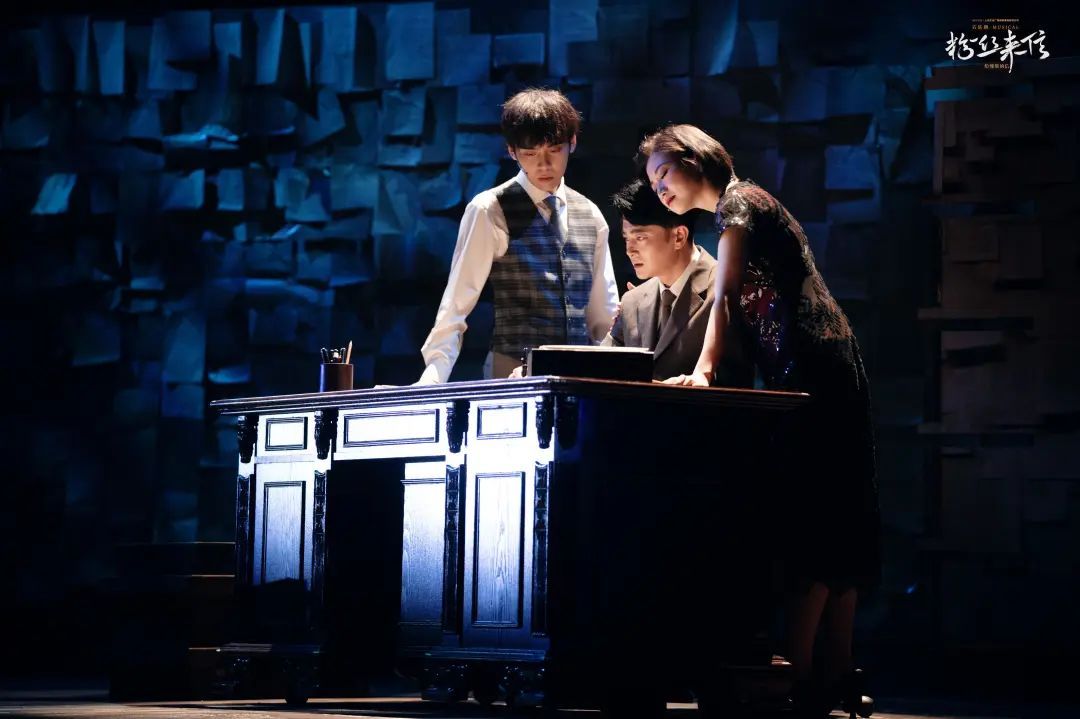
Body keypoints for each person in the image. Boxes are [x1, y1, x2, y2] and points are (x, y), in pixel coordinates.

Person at [639, 123, 881, 716]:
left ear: (696, 159)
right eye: (653, 179)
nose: (659, 187)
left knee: (821, 514)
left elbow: (723, 297)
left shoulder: (740, 203)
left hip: (817, 367)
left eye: (664, 172)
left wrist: (703, 371)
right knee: (834, 511)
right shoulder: (735, 210)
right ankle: (829, 672)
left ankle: (801, 674)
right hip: (816, 368)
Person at [416, 88, 618, 383]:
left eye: (554, 150)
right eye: (530, 153)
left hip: (578, 374)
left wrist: (611, 373)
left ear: (572, 143)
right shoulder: (490, 209)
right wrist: (433, 376)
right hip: (511, 371)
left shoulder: (591, 214)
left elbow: (603, 314)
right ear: (512, 151)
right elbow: (456, 303)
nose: (544, 165)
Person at [603, 178, 750, 384]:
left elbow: (738, 377)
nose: (629, 250)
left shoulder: (725, 286)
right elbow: (601, 369)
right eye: (626, 238)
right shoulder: (631, 301)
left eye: (640, 237)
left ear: (679, 236)